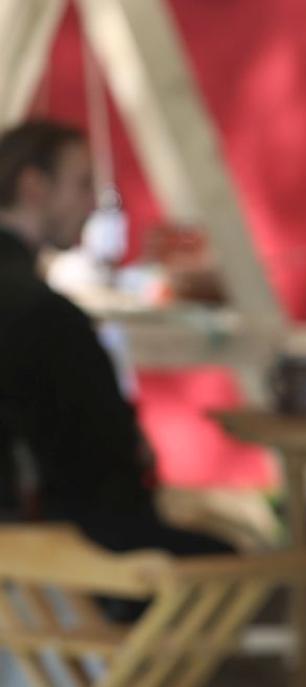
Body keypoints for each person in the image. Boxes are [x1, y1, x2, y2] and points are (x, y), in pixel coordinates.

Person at [0, 119, 225, 560]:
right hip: (50, 550)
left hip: (26, 543)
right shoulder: (41, 313)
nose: (91, 205)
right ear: (33, 187)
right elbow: (106, 459)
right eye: (83, 185)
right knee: (236, 564)